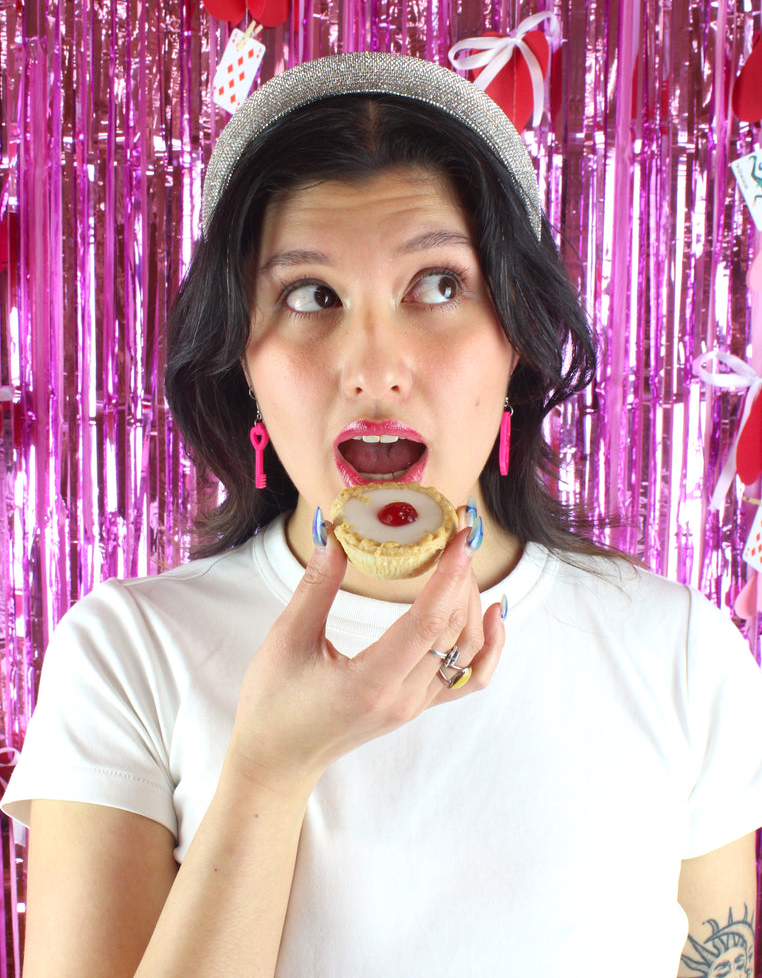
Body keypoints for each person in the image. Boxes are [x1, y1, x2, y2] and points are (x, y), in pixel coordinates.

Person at [3, 51, 762, 978]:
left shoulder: (679, 651)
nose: (373, 364)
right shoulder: (127, 651)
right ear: (243, 356)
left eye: (437, 286)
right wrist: (271, 769)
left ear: (516, 336)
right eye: (310, 295)